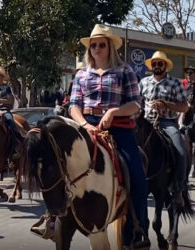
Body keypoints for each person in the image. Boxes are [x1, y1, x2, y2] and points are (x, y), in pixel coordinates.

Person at [70, 24, 148, 248]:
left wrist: (113, 112)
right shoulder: (82, 74)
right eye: (93, 45)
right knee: (58, 162)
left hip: (119, 127)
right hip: (86, 124)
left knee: (137, 176)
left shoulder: (124, 71)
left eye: (101, 45)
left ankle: (137, 227)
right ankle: (53, 219)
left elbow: (135, 104)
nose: (96, 48)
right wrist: (84, 124)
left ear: (110, 47)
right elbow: (74, 105)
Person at [139, 51, 189, 207]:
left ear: (165, 66)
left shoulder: (175, 83)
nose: (156, 66)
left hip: (167, 122)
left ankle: (178, 189)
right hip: (145, 122)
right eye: (154, 64)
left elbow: (184, 107)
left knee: (180, 150)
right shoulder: (143, 82)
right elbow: (136, 103)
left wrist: (166, 105)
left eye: (160, 63)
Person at [0, 65, 22, 158]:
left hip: (4, 110)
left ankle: (17, 144)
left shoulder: (7, 88)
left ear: (1, 77)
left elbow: (11, 101)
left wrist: (1, 101)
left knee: (10, 121)